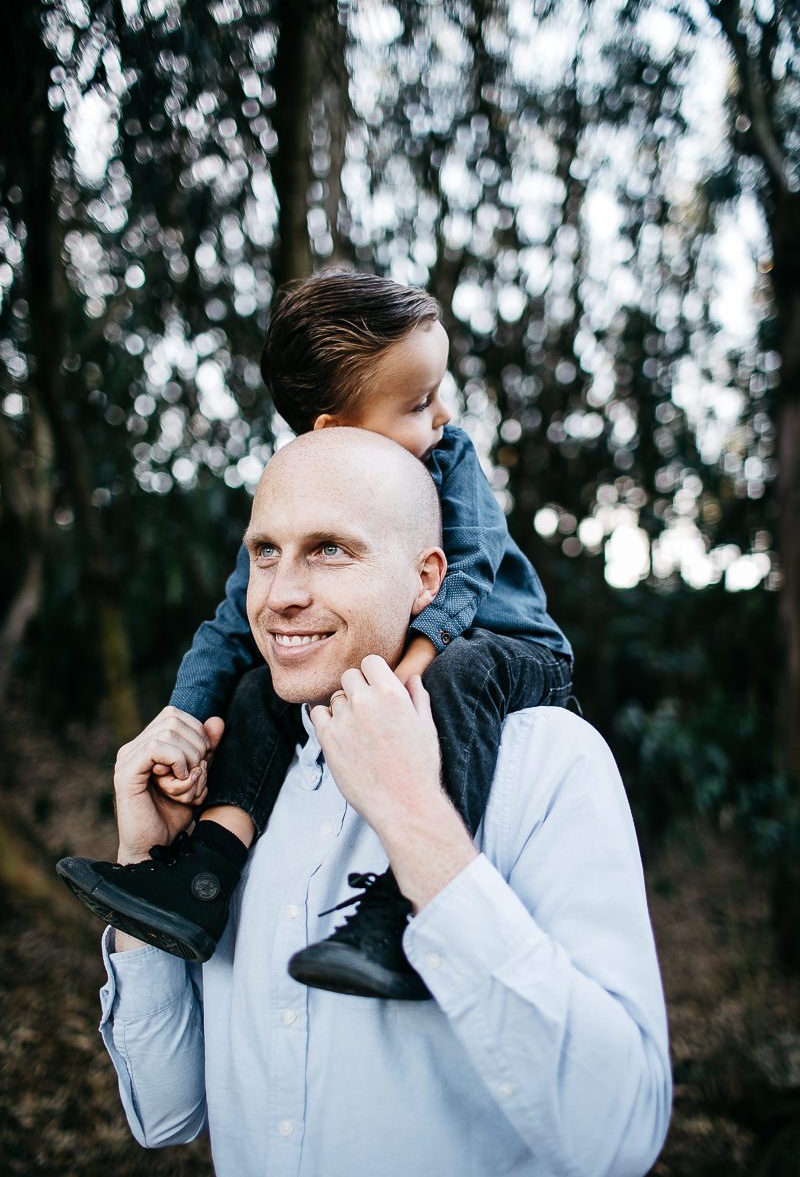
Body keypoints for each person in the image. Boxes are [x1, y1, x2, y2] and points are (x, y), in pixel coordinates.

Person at [88, 429, 670, 1177]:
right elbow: (165, 1115)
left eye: (329, 548)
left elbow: (623, 1133)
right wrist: (148, 860)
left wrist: (416, 821)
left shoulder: (548, 763)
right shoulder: (231, 785)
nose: (280, 594)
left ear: (429, 578)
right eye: (265, 552)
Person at [57, 272, 574, 1000]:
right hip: (417, 651)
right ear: (336, 429)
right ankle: (203, 872)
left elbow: (473, 566)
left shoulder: (447, 457)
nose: (444, 415)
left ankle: (405, 908)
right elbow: (234, 622)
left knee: (458, 677)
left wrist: (416, 663)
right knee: (262, 683)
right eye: (420, 402)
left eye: (327, 551)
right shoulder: (297, 491)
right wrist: (182, 721)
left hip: (512, 647)